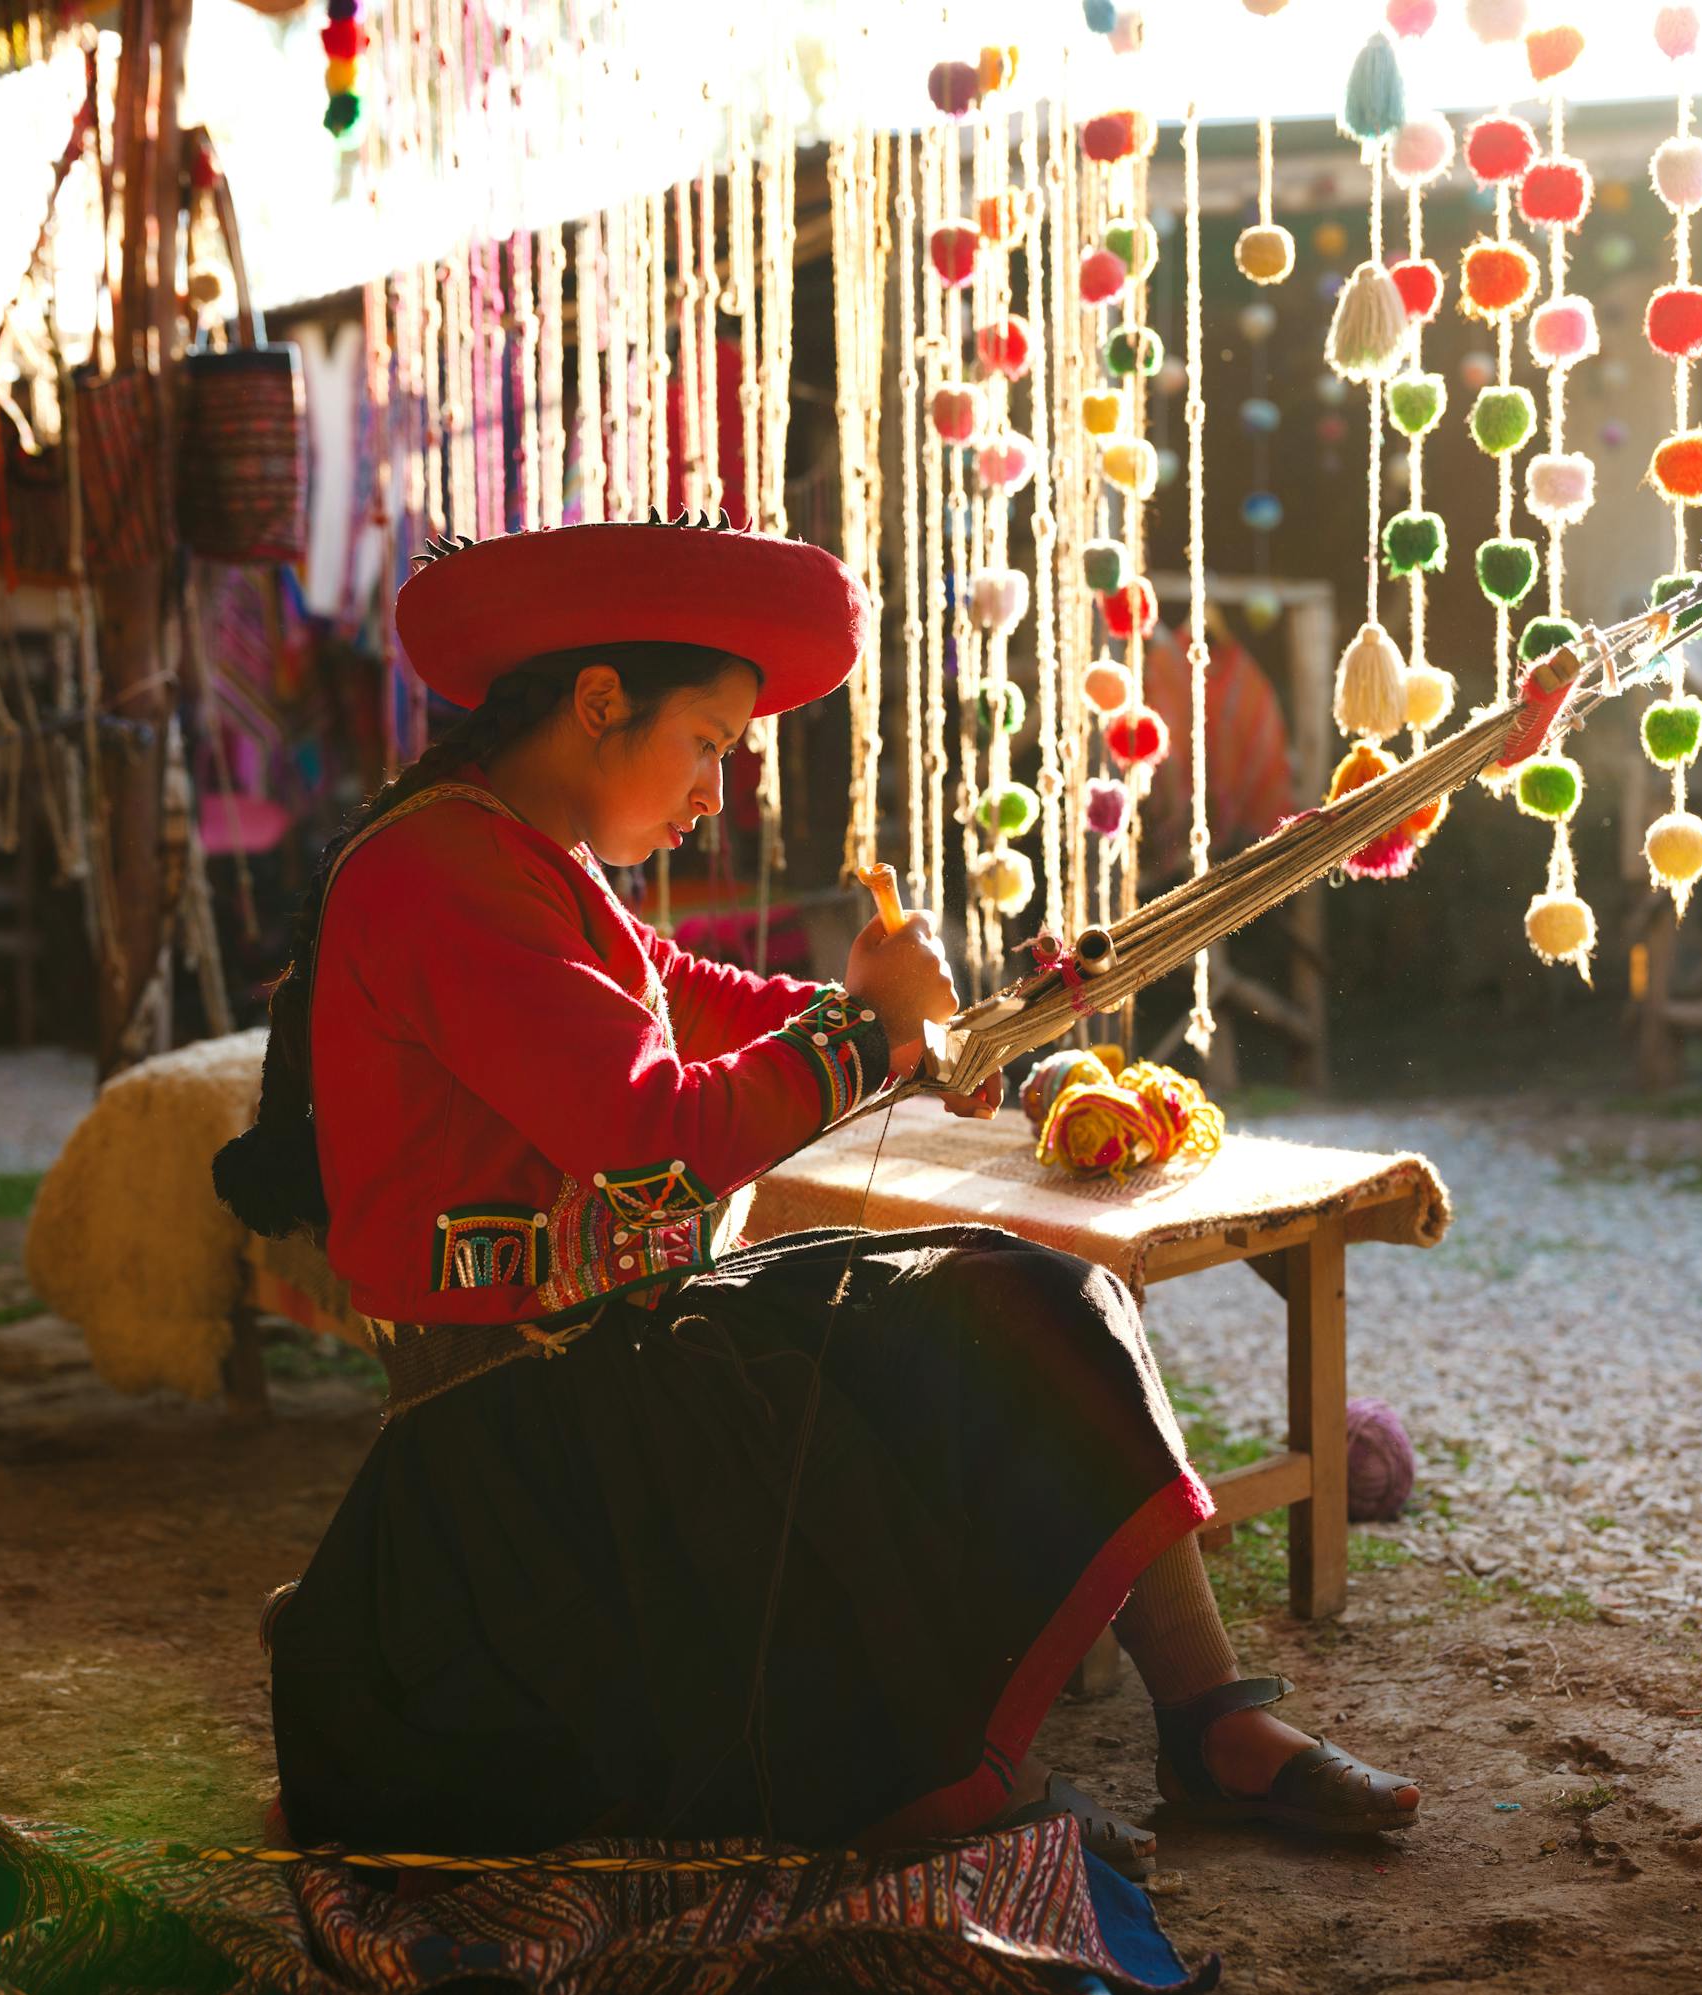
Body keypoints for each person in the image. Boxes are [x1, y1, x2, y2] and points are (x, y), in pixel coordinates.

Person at [216, 517, 1418, 1877]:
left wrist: (937, 1034)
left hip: (617, 1352)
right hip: (525, 1417)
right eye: (709, 745)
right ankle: (980, 1779)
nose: (714, 795)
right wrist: (862, 1038)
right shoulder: (439, 878)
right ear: (601, 700)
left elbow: (701, 998)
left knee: (1035, 1295)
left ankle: (1210, 1718)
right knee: (924, 1373)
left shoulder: (526, 863)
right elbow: (649, 1138)